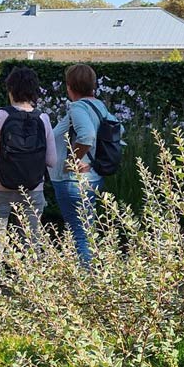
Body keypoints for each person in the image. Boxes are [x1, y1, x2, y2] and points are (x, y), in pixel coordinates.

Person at [0, 67, 57, 281]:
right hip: (32, 190)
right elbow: (52, 161)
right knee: (31, 244)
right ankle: (30, 299)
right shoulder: (43, 119)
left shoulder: (0, 116)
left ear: (10, 89)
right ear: (34, 92)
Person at [48, 64, 120, 266]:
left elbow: (87, 135)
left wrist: (73, 160)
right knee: (87, 231)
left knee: (80, 234)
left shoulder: (78, 107)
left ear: (70, 86)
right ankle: (94, 279)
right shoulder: (98, 106)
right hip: (92, 178)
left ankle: (87, 285)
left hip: (72, 181)